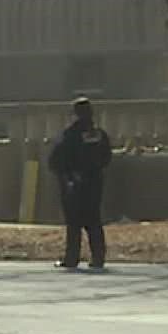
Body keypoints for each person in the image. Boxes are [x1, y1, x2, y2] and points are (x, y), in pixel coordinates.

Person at [49, 96, 113, 270]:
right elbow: (107, 157)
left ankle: (72, 258)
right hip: (95, 183)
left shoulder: (70, 134)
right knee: (94, 221)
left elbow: (56, 159)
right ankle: (98, 258)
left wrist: (67, 174)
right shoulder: (99, 134)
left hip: (73, 183)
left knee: (74, 223)